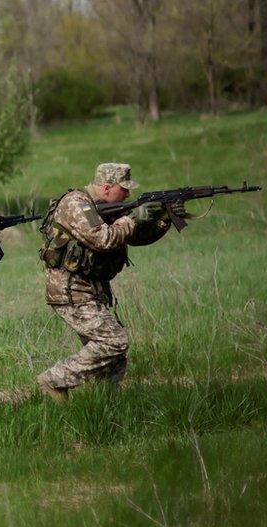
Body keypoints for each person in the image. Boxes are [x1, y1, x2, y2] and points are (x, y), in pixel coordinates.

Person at [36, 163, 179, 402]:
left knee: (113, 360)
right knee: (114, 342)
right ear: (106, 187)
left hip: (89, 289)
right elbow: (103, 239)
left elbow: (135, 237)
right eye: (123, 189)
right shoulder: (76, 204)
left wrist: (164, 219)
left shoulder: (106, 208)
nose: (128, 194)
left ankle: (106, 407)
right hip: (70, 291)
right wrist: (133, 218)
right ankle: (54, 380)